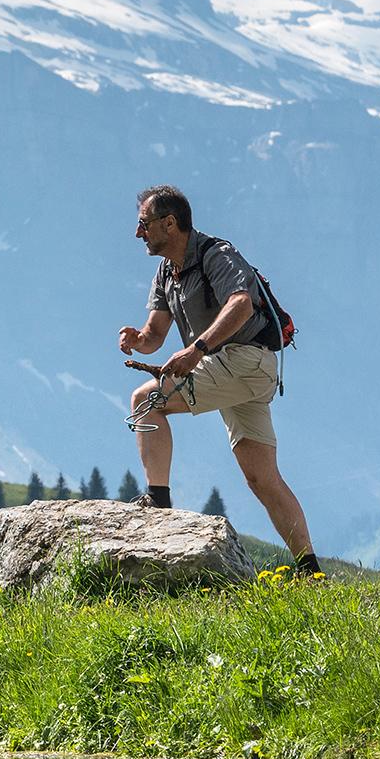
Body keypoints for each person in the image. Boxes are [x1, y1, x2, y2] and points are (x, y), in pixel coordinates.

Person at [117, 185, 323, 578]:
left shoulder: (217, 254)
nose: (138, 233)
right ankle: (310, 570)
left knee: (146, 401)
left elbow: (241, 304)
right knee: (262, 477)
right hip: (237, 371)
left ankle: (158, 506)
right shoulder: (167, 272)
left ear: (169, 223)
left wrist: (197, 348)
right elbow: (155, 334)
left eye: (144, 224)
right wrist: (137, 341)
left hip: (246, 362)